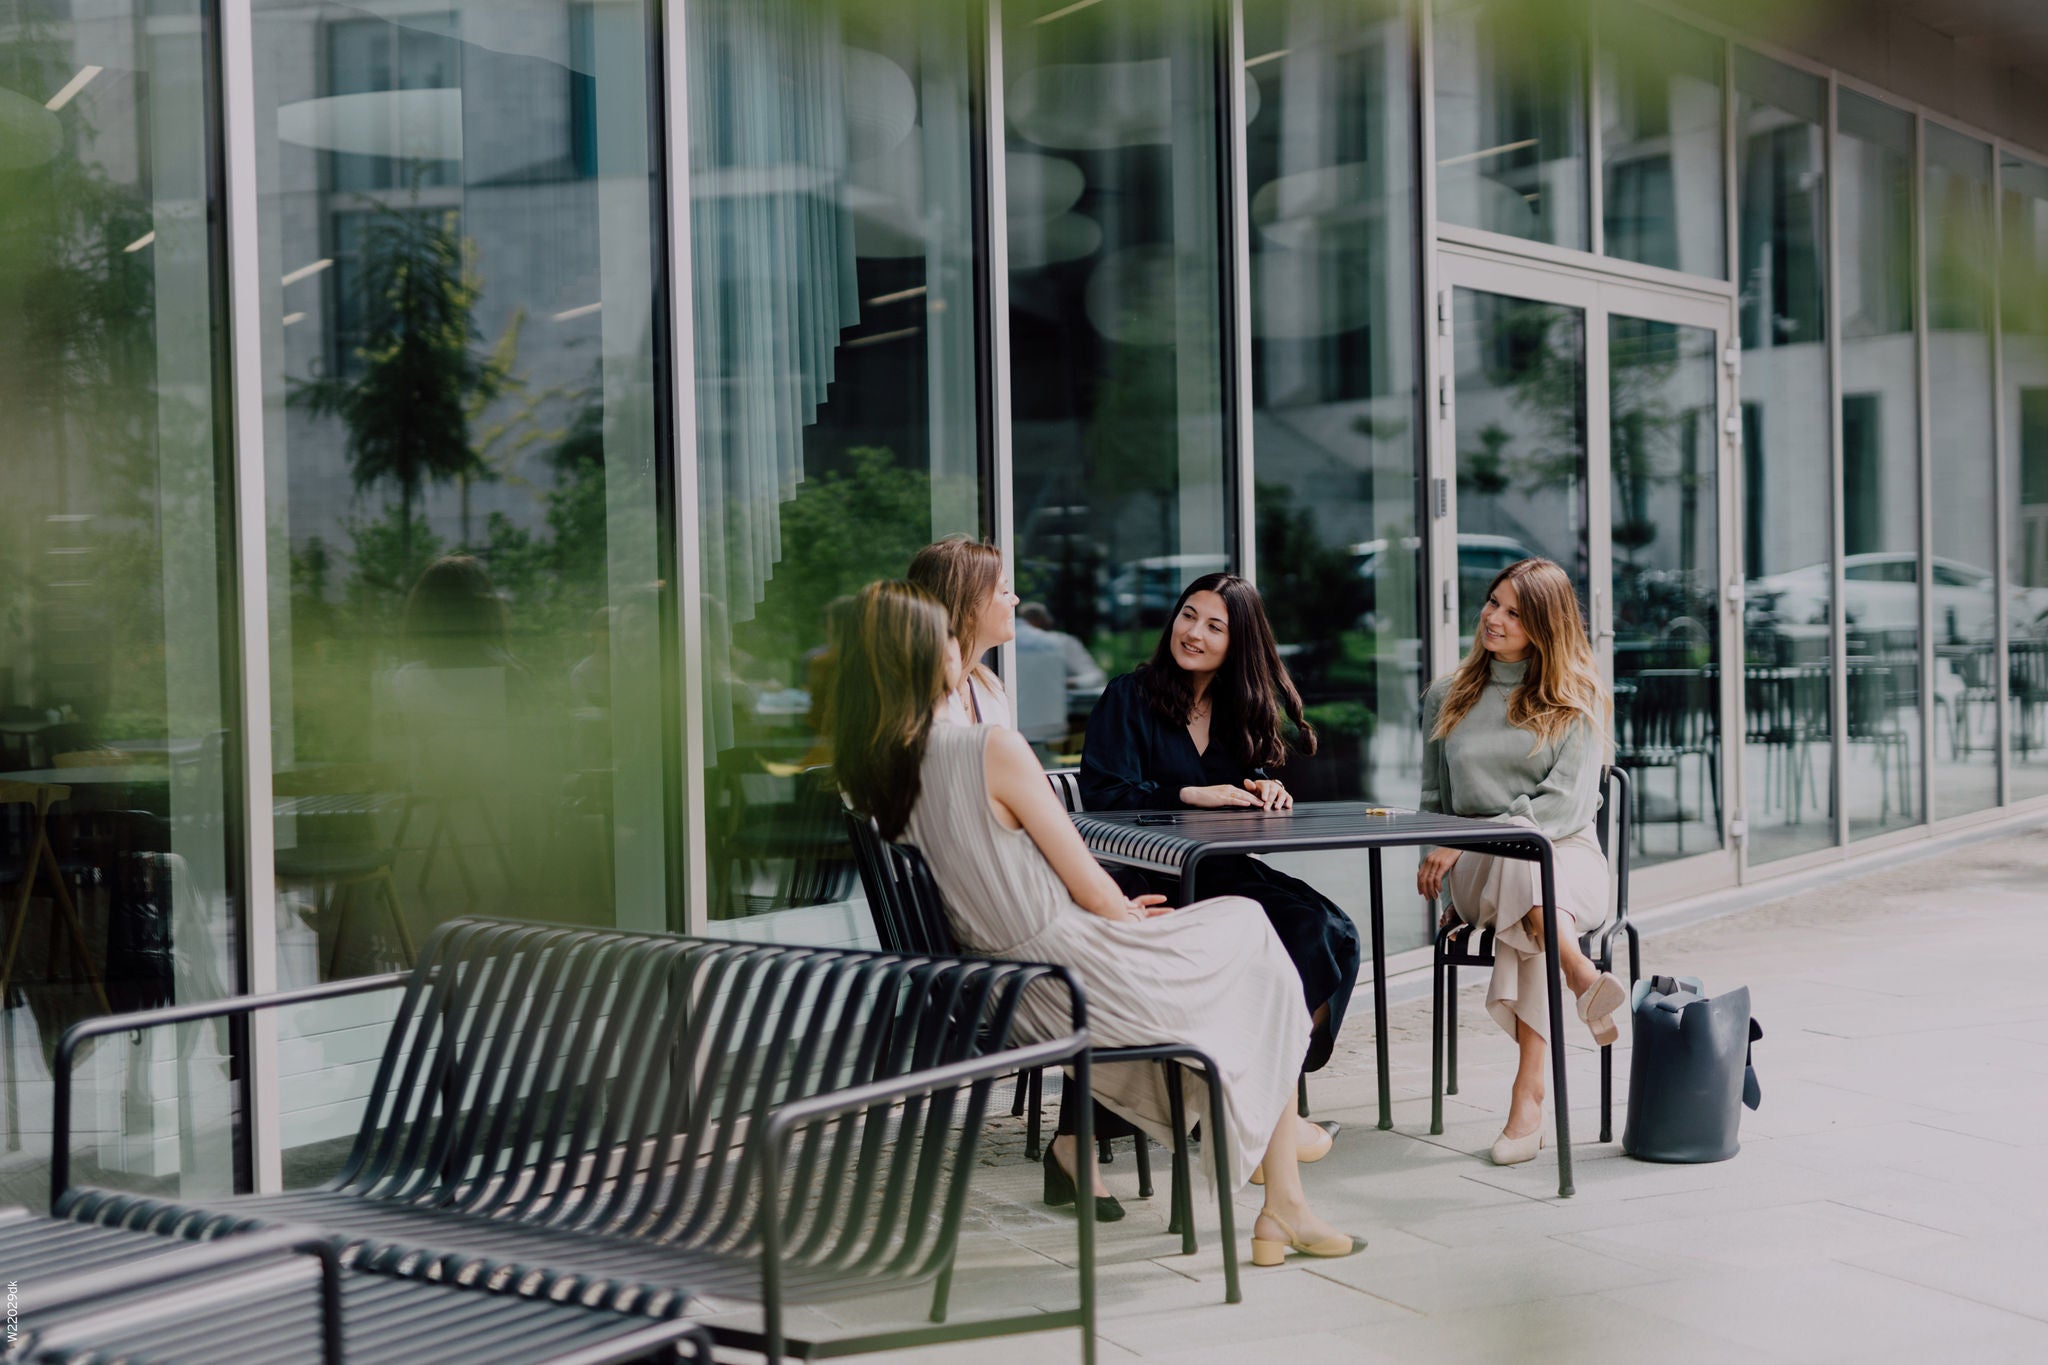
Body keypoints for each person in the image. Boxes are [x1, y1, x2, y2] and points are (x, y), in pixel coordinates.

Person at [834, 580, 1363, 1266]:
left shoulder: (884, 766)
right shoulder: (990, 746)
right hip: (1071, 970)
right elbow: (1086, 874)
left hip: (1001, 978)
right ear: (925, 655)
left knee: (1267, 932)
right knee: (1251, 930)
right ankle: (1275, 1166)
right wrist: (1123, 914)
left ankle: (1275, 1163)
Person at [1079, 573, 1361, 1078]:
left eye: (1215, 626)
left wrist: (1261, 788)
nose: (1193, 633)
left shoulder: (1236, 710)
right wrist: (1188, 795)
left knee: (1333, 928)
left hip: (1223, 871)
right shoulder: (1129, 696)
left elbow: (1234, 779)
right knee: (1301, 928)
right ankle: (1260, 1091)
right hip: (1153, 880)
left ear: (1237, 643)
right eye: (1188, 615)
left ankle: (1265, 1076)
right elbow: (1104, 796)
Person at [1417, 557, 1626, 1166]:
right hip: (1481, 867)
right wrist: (1461, 844)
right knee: (1521, 860)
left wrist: (1477, 835)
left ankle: (1529, 1094)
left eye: (1514, 611)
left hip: (1569, 857)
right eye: (1492, 603)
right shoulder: (1445, 695)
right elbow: (1434, 803)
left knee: (1529, 864)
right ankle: (1581, 979)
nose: (1494, 618)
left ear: (1545, 625)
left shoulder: (1577, 699)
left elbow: (1561, 810)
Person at [908, 536, 1018, 727]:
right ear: (968, 609)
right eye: (1004, 592)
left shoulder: (990, 686)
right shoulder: (915, 704)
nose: (1015, 599)